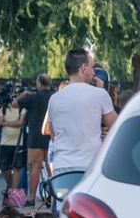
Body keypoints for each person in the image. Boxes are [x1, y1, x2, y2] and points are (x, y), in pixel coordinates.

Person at [45, 49, 118, 175]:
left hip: (61, 169)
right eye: (91, 67)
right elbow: (117, 127)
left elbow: (53, 135)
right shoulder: (100, 94)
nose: (94, 72)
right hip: (88, 168)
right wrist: (102, 91)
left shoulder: (54, 98)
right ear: (83, 68)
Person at [14, 75, 53, 205]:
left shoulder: (33, 97)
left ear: (39, 84)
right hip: (51, 135)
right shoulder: (54, 96)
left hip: (35, 137)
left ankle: (31, 198)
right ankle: (53, 197)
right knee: (51, 167)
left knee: (34, 166)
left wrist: (23, 94)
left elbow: (14, 104)